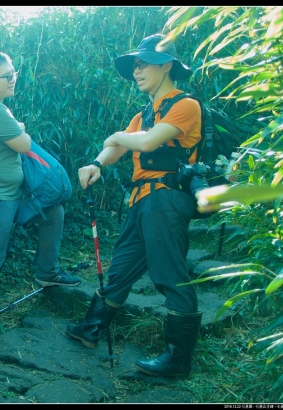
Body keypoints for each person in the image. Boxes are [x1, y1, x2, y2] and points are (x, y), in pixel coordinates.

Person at [66, 34, 203, 377]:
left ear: (167, 66)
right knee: (121, 268)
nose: (137, 71)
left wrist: (116, 137)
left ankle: (178, 359)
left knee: (170, 275)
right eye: (135, 65)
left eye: (144, 64)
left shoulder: (186, 105)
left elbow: (147, 141)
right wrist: (97, 162)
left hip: (167, 199)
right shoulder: (144, 113)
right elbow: (122, 146)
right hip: (142, 201)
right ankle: (91, 328)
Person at [0, 51, 81, 344]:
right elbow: (23, 143)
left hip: (8, 195)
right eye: (7, 75)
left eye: (14, 73)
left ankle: (47, 272)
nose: (14, 79)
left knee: (53, 212)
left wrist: (18, 130)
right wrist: (20, 130)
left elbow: (17, 140)